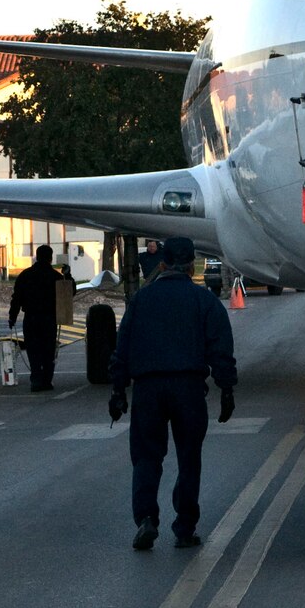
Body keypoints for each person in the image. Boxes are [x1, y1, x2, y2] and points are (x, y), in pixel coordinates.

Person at [108, 236, 237, 551]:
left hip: (148, 389)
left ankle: (146, 519)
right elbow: (220, 349)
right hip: (188, 388)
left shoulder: (141, 299)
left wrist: (117, 389)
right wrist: (226, 388)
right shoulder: (204, 301)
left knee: (147, 457)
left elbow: (122, 347)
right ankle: (184, 528)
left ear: (162, 263)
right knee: (189, 458)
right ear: (191, 265)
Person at [9, 245, 63, 391]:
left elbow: (16, 299)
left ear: (37, 257)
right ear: (50, 258)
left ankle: (36, 380)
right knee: (48, 350)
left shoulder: (25, 275)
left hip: (31, 318)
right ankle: (47, 380)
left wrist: (12, 317)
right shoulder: (56, 277)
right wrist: (68, 276)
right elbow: (68, 293)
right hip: (49, 319)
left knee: (33, 350)